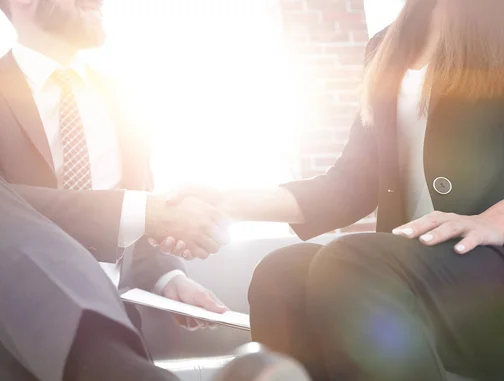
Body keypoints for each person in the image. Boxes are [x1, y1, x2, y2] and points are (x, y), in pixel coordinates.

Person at [0, 0, 314, 380]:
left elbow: (135, 222)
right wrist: (147, 212)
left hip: (112, 313)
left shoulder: (126, 98)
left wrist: (167, 277)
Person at [155, 0, 504, 380]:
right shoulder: (388, 44)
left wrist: (493, 219)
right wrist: (226, 200)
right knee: (282, 274)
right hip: (408, 270)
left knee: (352, 264)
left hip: (486, 268)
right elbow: (349, 185)